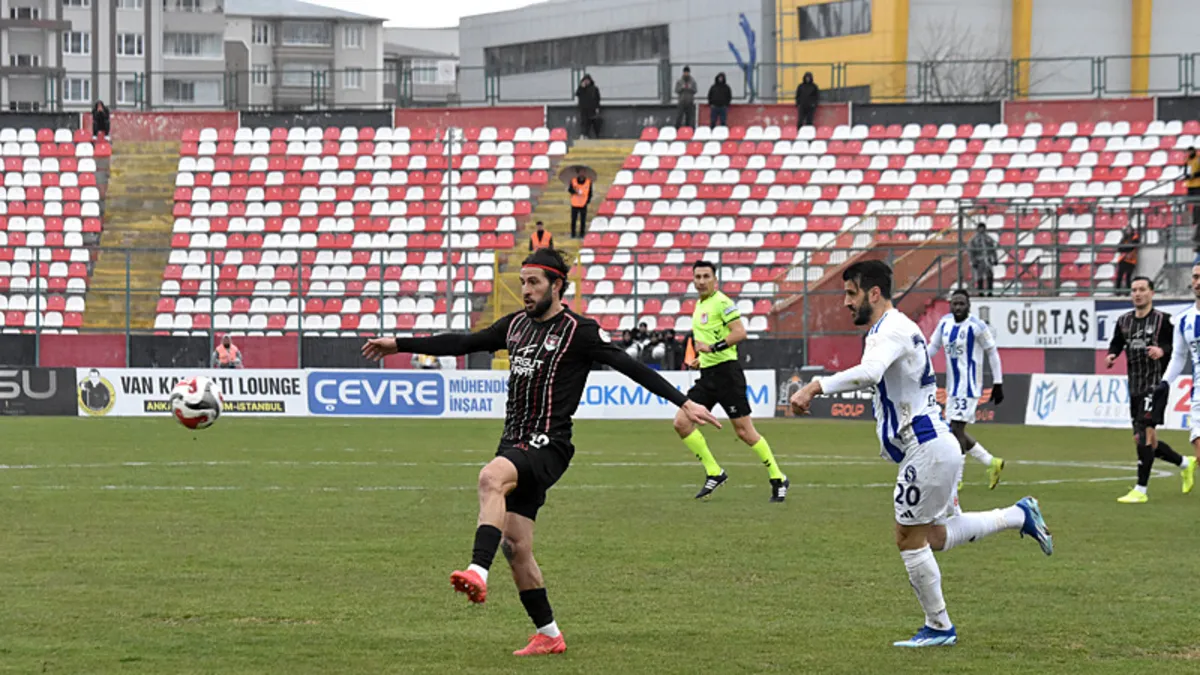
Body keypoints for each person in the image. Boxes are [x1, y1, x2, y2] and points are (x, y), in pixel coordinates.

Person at [361, 248, 720, 657]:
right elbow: (463, 342)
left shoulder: (578, 331)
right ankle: (549, 634)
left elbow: (629, 366)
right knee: (516, 545)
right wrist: (399, 344)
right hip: (514, 440)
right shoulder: (515, 326)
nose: (526, 292)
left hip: (549, 443)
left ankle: (477, 570)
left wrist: (682, 401)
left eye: (534, 283)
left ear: (557, 286)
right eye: (522, 284)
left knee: (490, 478)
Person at [788, 260, 1053, 648]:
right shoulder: (898, 327)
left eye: (851, 293)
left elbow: (870, 373)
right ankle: (1018, 514)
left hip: (926, 447)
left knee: (907, 537)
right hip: (937, 443)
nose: (846, 303)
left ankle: (940, 626)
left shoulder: (888, 330)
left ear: (873, 293)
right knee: (933, 535)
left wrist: (815, 386)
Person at [675, 260, 789, 501]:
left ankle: (778, 477)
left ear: (715, 280)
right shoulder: (699, 305)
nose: (702, 281)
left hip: (728, 375)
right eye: (698, 277)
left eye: (706, 276)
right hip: (708, 376)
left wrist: (712, 348)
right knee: (682, 423)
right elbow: (708, 342)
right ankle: (714, 472)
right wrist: (700, 359)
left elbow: (740, 332)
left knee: (745, 433)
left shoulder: (723, 302)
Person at [1110, 276, 1195, 502]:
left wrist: (1162, 351)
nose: (1137, 293)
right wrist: (1112, 354)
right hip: (1134, 386)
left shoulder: (1165, 321)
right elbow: (1117, 342)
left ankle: (1141, 489)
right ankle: (1185, 463)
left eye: (1142, 289)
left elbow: (1177, 348)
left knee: (1145, 434)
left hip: (1155, 385)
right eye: (1134, 290)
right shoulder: (1124, 321)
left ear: (1152, 293)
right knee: (1145, 440)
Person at [927, 290, 1007, 490]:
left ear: (969, 306)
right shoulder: (944, 323)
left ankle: (957, 479)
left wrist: (998, 383)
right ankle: (991, 462)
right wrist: (917, 364)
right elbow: (933, 347)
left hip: (970, 386)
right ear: (950, 305)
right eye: (955, 304)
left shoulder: (977, 326)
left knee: (956, 429)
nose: (958, 307)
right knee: (954, 429)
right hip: (952, 387)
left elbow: (992, 353)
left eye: (962, 304)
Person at [1160, 263, 1200, 475]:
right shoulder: (1184, 320)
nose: (1198, 282)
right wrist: (1165, 383)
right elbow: (1178, 356)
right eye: (1195, 277)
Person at [967, 222, 998, 296]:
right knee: (979, 276)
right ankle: (980, 292)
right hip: (979, 260)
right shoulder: (973, 239)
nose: (982, 229)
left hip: (988, 259)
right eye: (980, 228)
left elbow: (993, 249)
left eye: (983, 228)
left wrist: (995, 258)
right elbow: (971, 251)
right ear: (977, 229)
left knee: (990, 275)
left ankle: (990, 292)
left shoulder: (988, 238)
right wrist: (973, 261)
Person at [574, 74, 601, 139]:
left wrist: (597, 107)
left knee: (593, 122)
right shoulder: (581, 88)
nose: (586, 82)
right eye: (585, 81)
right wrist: (581, 87)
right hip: (583, 109)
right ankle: (584, 135)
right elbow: (577, 94)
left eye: (587, 80)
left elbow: (598, 98)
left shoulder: (594, 88)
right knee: (584, 122)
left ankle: (595, 136)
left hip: (592, 109)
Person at [568, 169, 592, 239]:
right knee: (573, 220)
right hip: (574, 203)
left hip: (583, 204)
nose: (582, 173)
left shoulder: (588, 182)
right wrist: (575, 191)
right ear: (578, 173)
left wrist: (587, 201)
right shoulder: (573, 181)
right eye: (580, 172)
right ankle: (573, 234)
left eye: (583, 172)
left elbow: (590, 192)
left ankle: (582, 234)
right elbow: (570, 190)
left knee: (583, 220)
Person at [1115, 225, 1139, 291]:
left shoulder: (1135, 237)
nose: (1128, 231)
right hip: (1122, 259)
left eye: (1129, 230)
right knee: (1119, 276)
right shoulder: (1123, 238)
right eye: (1127, 230)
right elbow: (1119, 248)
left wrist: (1125, 248)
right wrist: (1125, 249)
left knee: (1128, 277)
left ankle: (1128, 292)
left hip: (1131, 260)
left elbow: (1132, 246)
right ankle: (1117, 292)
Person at [1186, 148, 1200, 249]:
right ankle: (1194, 220)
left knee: (1197, 203)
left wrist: (1194, 175)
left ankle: (1195, 220)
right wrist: (1186, 176)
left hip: (1198, 184)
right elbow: (1185, 170)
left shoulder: (1198, 159)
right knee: (1194, 204)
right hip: (1190, 185)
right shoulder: (1187, 160)